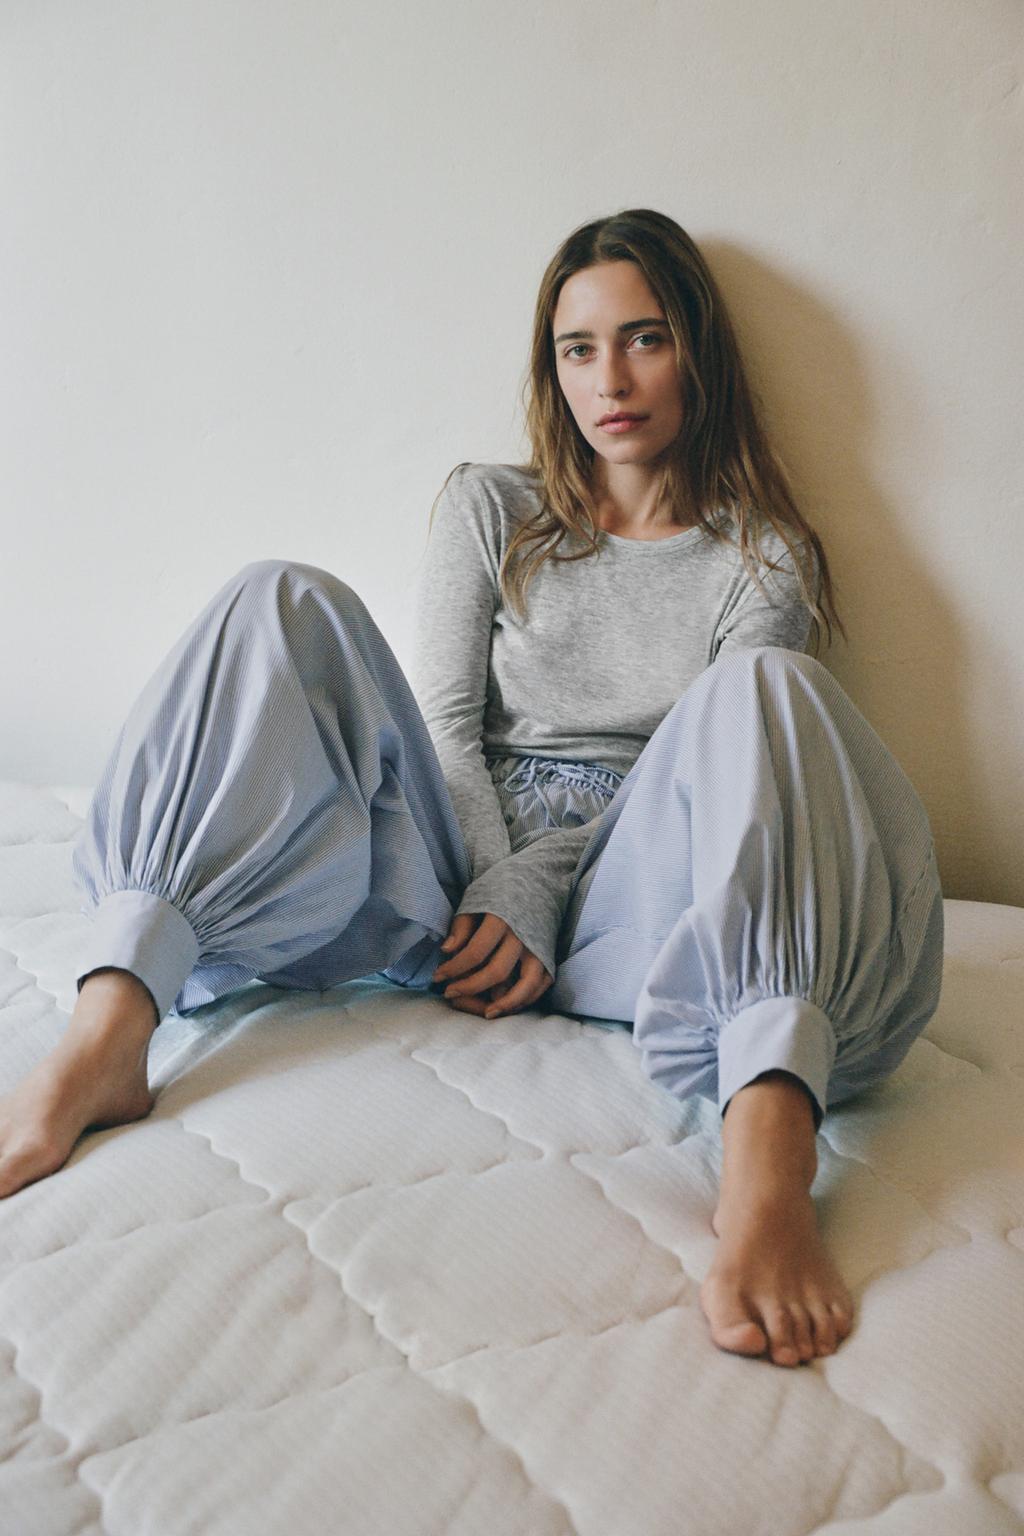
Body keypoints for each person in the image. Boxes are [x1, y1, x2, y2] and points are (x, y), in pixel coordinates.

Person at [0, 208, 943, 1374]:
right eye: (578, 348)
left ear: (696, 352)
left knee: (772, 691)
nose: (610, 380)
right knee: (277, 596)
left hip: (629, 894)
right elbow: (447, 723)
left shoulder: (762, 557)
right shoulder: (493, 508)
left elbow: (706, 771)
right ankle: (110, 1028)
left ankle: (766, 1151)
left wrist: (539, 892)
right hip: (455, 870)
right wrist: (494, 886)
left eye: (644, 339)